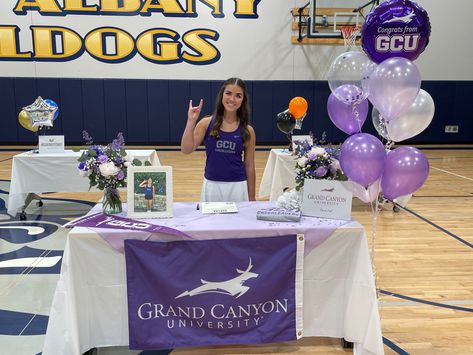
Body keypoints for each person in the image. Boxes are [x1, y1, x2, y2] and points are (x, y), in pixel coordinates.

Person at [181, 77, 256, 202]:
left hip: (238, 186)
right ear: (222, 95)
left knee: (238, 222)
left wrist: (252, 196)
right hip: (212, 185)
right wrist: (191, 121)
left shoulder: (248, 131)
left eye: (238, 96)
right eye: (228, 93)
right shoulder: (206, 123)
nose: (232, 99)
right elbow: (186, 149)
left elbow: (249, 166)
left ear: (243, 100)